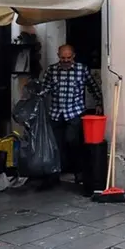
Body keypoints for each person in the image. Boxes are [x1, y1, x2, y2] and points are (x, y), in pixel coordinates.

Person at [41, 44, 103, 188]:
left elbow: (93, 86)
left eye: (68, 58)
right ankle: (54, 175)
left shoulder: (82, 69)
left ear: (73, 56)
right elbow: (44, 89)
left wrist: (99, 102)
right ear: (58, 56)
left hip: (75, 112)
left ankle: (79, 173)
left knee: (73, 142)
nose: (66, 61)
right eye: (63, 58)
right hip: (56, 113)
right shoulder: (51, 70)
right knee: (55, 146)